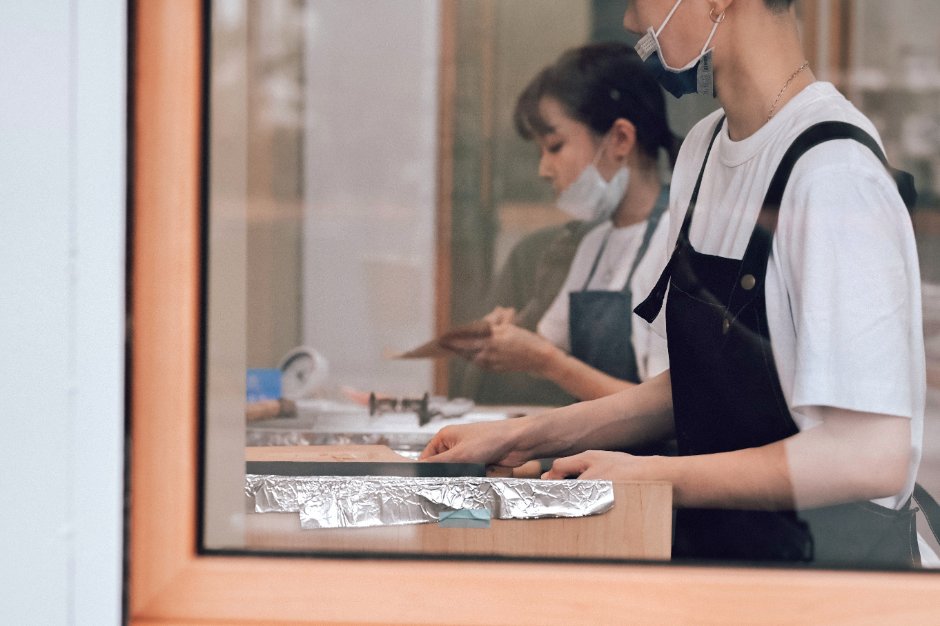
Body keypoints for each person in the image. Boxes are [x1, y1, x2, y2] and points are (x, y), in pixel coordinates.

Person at [424, 0, 928, 567]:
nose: (632, 23)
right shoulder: (703, 150)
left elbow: (866, 455)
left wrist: (656, 476)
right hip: (720, 565)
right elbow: (693, 390)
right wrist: (526, 436)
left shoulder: (833, 172)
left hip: (827, 583)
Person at [450, 42, 676, 406]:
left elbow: (668, 409)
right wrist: (508, 336)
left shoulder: (678, 243)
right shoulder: (593, 244)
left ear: (620, 139)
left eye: (554, 147)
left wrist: (546, 361)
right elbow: (546, 346)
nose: (544, 169)